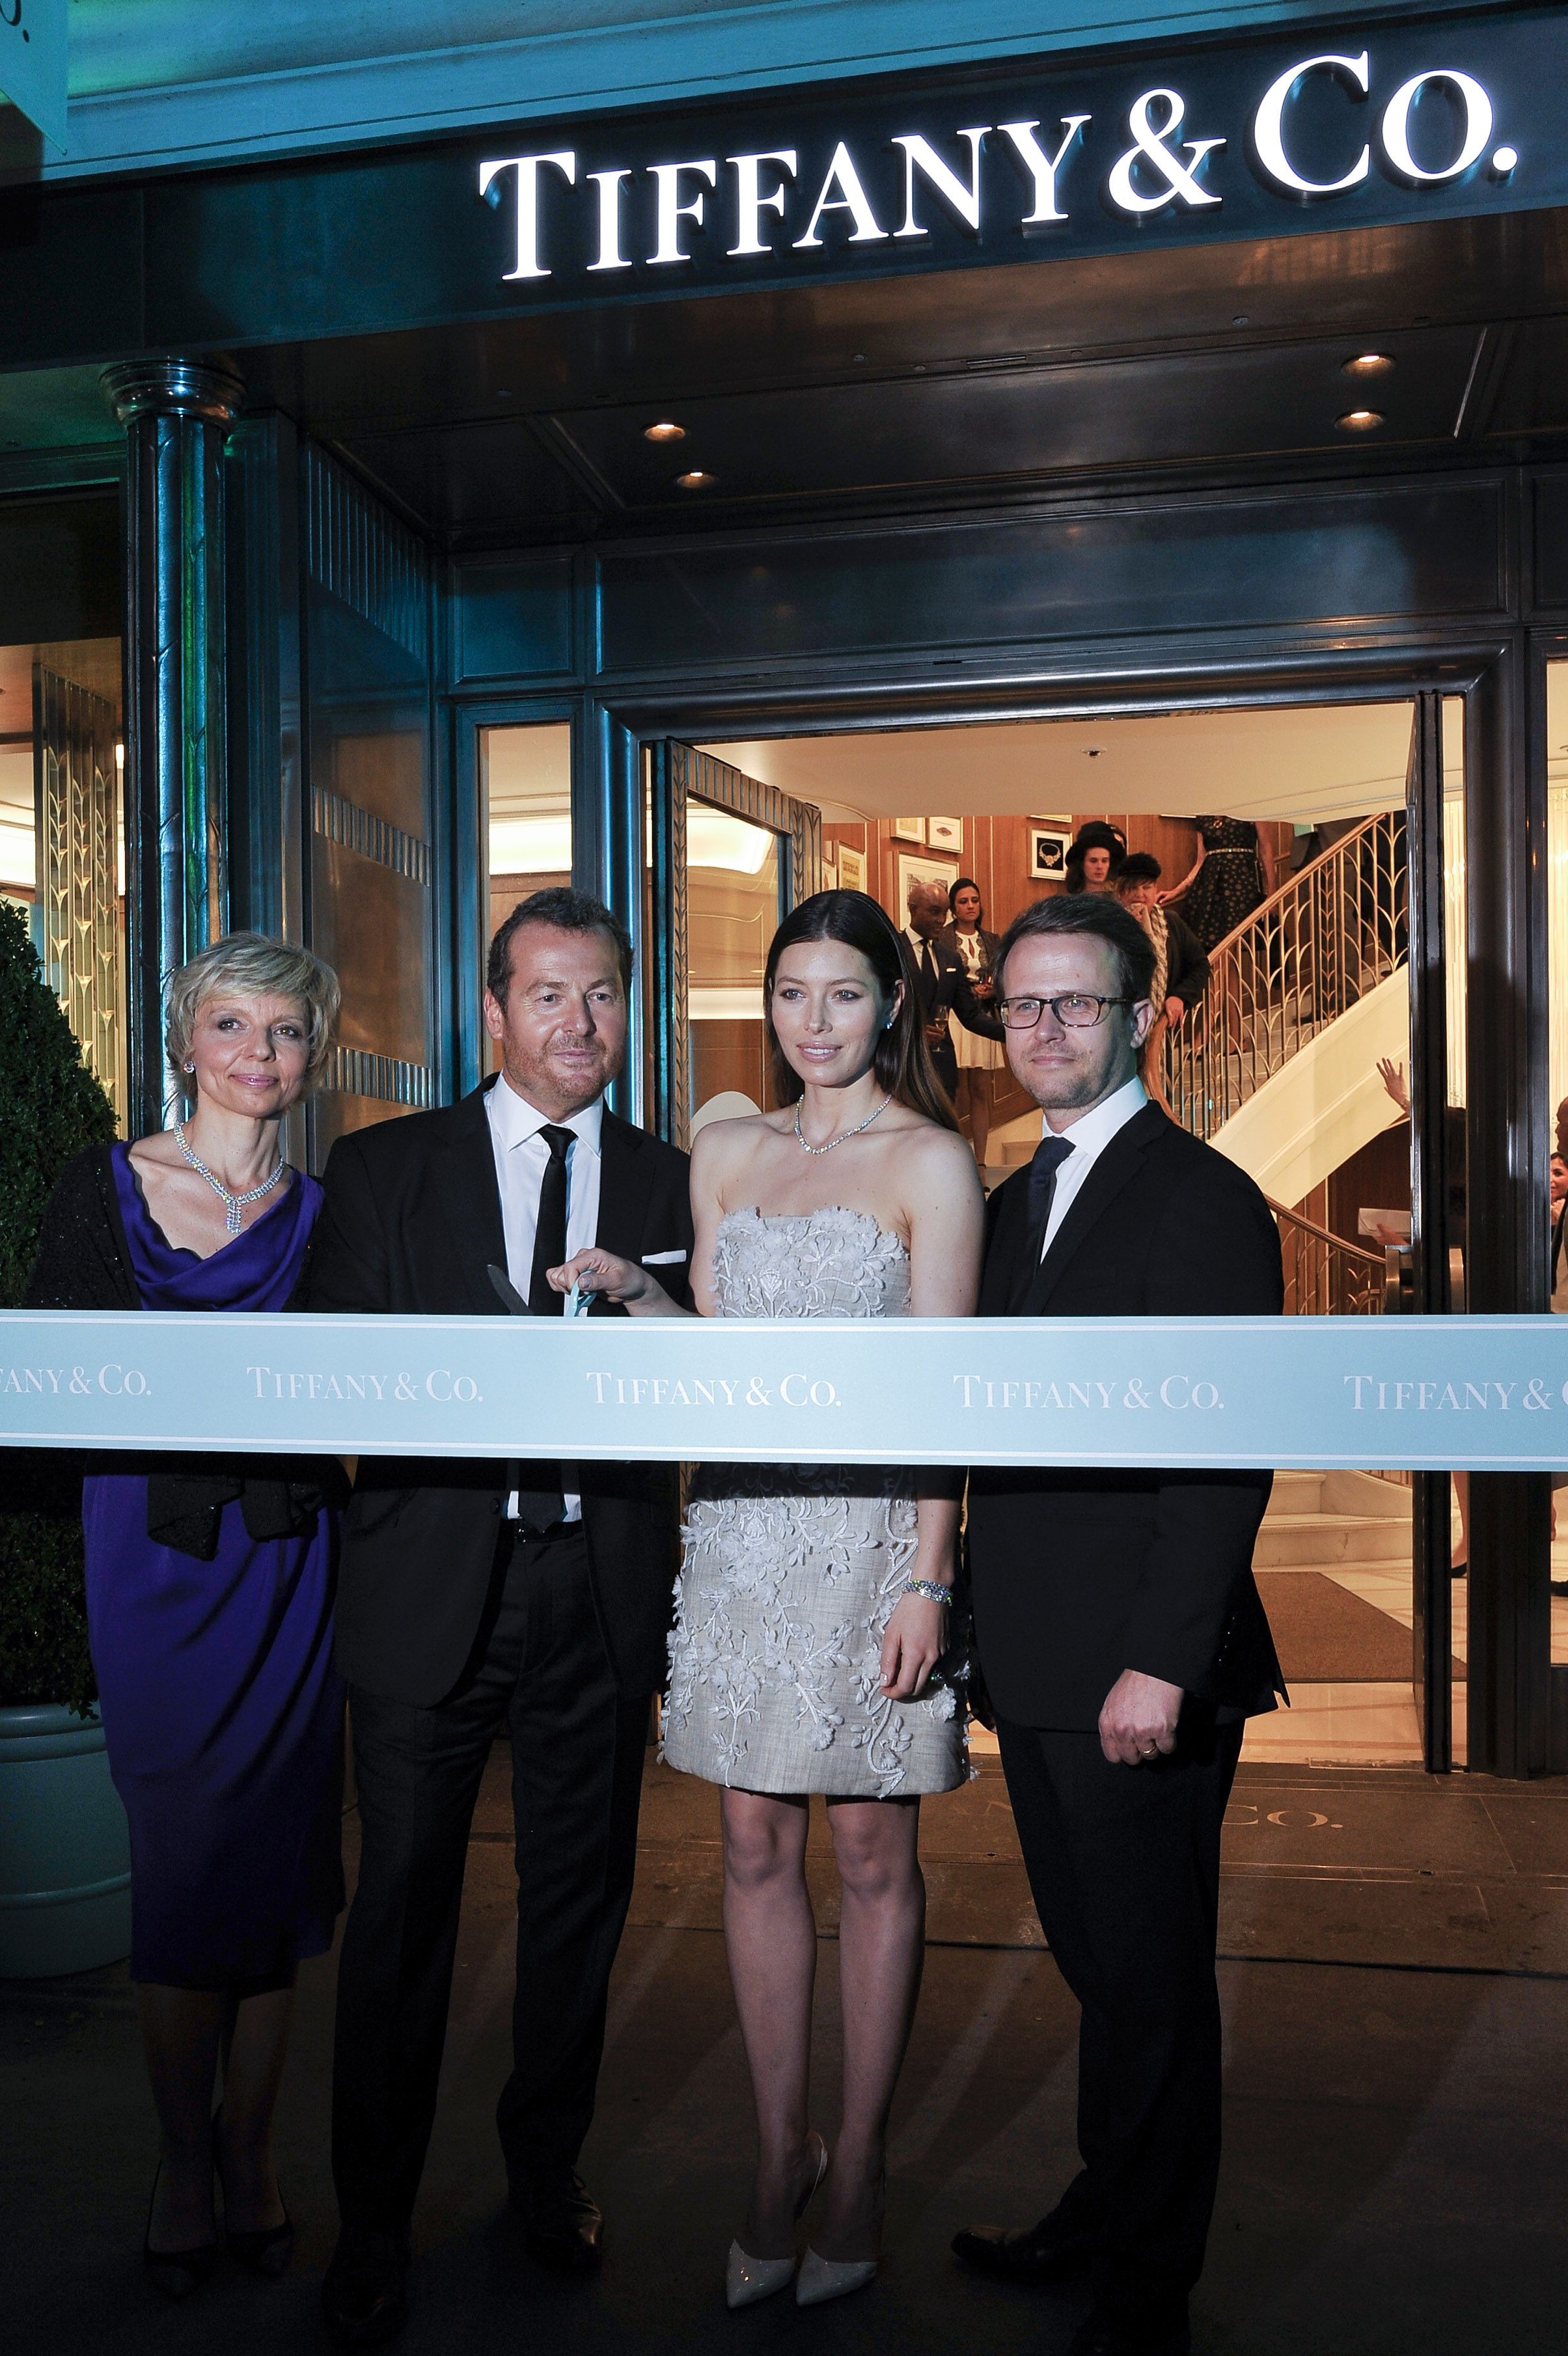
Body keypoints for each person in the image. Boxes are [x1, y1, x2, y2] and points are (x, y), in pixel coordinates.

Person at [551, 888, 984, 2311]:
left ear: (891, 1006)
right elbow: (725, 1364)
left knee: (865, 1851)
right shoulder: (725, 1147)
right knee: (746, 1838)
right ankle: (770, 2151)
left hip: (868, 1540)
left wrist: (930, 1571)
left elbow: (944, 1396)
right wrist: (634, 1295)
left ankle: (856, 2159)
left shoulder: (931, 1164)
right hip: (737, 1532)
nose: (814, 1021)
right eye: (791, 993)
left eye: (843, 995)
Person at [301, 888, 694, 2347]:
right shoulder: (382, 1167)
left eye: (600, 997)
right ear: (491, 1010)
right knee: (398, 1918)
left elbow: (720, 1377)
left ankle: (546, 2175)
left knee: (575, 1913)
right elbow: (336, 1385)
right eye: (547, 996)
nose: (577, 1026)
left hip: (595, 1594)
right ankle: (374, 2225)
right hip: (426, 1598)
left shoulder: (669, 1180)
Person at [953, 893, 1284, 2356]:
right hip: (1029, 1653)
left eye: (1074, 1004)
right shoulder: (1013, 1196)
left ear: (1141, 1017)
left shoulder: (1201, 1195)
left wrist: (1160, 1658)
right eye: (1023, 1004)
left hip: (1138, 1666)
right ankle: (1105, 2209)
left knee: (1148, 1983)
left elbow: (1221, 1451)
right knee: (1097, 1964)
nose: (1043, 1029)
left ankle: (1149, 2288)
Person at [24, 933, 346, 2299]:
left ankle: (254, 2154)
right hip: (152, 1563)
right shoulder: (100, 1187)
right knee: (181, 1856)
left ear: (313, 1051)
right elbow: (43, 1385)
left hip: (288, 1565)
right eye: (232, 1025)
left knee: (275, 1865)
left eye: (283, 1032)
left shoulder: (337, 1214)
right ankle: (177, 2159)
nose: (257, 1055)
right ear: (184, 1038)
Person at [1115, 853, 1209, 1116]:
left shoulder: (1171, 924)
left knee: (1158, 1104)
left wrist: (1180, 997)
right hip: (1118, 1035)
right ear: (1121, 892)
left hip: (1158, 1034)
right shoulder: (1107, 928)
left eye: (1146, 887)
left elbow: (1200, 965)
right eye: (1133, 888)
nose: (1139, 895)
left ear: (1156, 890)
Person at [903, 877, 1005, 1103]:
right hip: (903, 1065)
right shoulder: (893, 952)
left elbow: (970, 1015)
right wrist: (914, 1031)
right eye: (934, 912)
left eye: (944, 913)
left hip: (942, 1066)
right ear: (912, 909)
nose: (941, 920)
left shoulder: (949, 957)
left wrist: (1013, 1033)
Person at [942, 876, 1006, 1168]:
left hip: (984, 1017)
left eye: (975, 901)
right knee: (950, 1090)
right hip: (953, 1018)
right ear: (953, 908)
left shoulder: (992, 940)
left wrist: (995, 989)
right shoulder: (942, 938)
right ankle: (953, 1160)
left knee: (981, 1091)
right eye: (963, 901)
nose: (970, 906)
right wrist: (966, 991)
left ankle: (980, 1163)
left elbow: (1005, 975)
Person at [1162, 816, 1270, 951]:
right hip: (1211, 886)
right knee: (1213, 948)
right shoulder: (1204, 815)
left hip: (1241, 884)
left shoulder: (1250, 806)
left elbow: (1266, 851)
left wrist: (1272, 892)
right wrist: (1177, 891)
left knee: (1233, 944)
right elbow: (1200, 861)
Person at [1063, 821, 1126, 896]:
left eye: (1104, 861)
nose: (1099, 866)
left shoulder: (1119, 903)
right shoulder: (1068, 904)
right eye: (1093, 861)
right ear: (1082, 864)